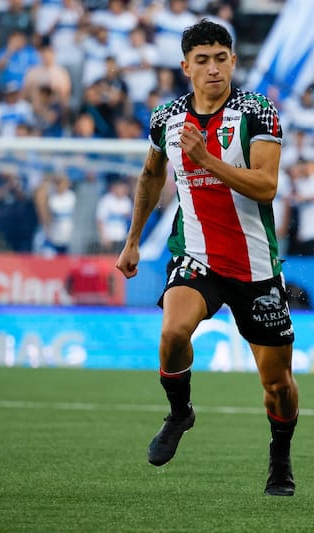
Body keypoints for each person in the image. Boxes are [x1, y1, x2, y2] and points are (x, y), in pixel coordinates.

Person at [115, 19, 299, 497]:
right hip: (196, 255)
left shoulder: (257, 112)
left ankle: (280, 459)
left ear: (233, 61)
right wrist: (133, 240)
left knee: (277, 384)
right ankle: (180, 412)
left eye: (221, 58)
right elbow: (151, 175)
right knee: (173, 332)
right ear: (186, 67)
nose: (213, 68)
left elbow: (266, 185)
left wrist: (207, 161)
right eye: (203, 60)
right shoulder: (166, 118)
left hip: (255, 266)